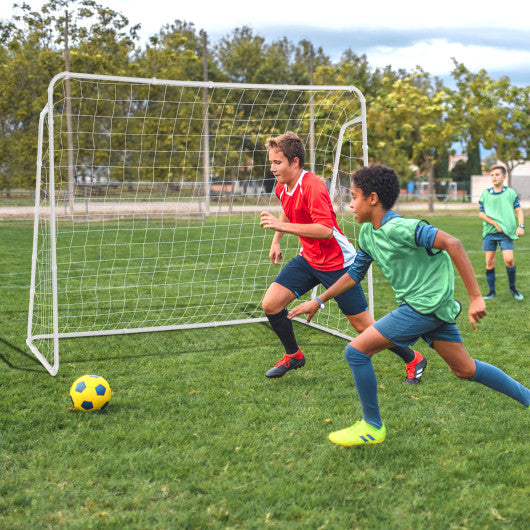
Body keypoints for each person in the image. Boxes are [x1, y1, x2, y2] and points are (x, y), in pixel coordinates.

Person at [288, 164, 529, 447]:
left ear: (373, 198)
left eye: (354, 197)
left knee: (355, 352)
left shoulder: (404, 228)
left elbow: (454, 243)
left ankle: (372, 426)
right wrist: (319, 300)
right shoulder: (367, 234)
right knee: (465, 369)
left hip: (422, 307)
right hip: (430, 308)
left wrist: (476, 297)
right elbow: (354, 274)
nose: (350, 204)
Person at [259, 132, 426, 383]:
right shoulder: (283, 186)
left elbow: (325, 231)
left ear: (295, 162)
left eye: (277, 163)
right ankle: (293, 355)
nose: (272, 168)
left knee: (363, 327)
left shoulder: (313, 186)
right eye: (271, 162)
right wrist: (276, 241)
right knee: (271, 304)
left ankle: (413, 358)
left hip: (338, 263)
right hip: (309, 259)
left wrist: (280, 228)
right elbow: (288, 209)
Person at [479, 164, 525, 300]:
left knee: (509, 260)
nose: (494, 177)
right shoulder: (485, 194)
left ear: (504, 177)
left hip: (506, 232)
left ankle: (513, 288)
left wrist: (520, 226)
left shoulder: (510, 192)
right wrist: (495, 224)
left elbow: (519, 210)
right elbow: (481, 214)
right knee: (489, 262)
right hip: (489, 232)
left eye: (497, 174)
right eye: (492, 175)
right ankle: (491, 292)